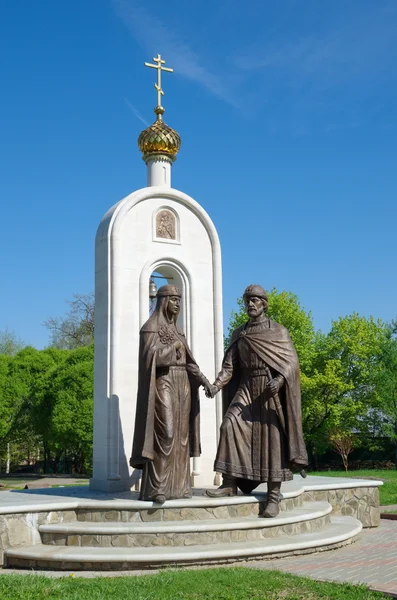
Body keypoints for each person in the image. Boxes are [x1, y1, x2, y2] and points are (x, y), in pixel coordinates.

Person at [206, 284, 308, 517]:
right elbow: (229, 368)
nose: (250, 304)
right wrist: (215, 386)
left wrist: (281, 380)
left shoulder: (278, 331)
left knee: (272, 440)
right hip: (247, 387)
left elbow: (291, 363)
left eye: (255, 300)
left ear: (264, 303)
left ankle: (273, 497)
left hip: (269, 389)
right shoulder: (239, 333)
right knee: (228, 425)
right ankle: (229, 483)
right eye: (247, 300)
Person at [130, 284, 212, 503]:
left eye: (179, 299)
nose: (177, 303)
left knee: (181, 436)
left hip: (182, 382)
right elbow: (149, 360)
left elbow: (189, 362)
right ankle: (157, 488)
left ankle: (179, 486)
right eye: (173, 299)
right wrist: (172, 347)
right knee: (165, 433)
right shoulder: (150, 328)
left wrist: (205, 382)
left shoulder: (179, 330)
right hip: (163, 382)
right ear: (163, 300)